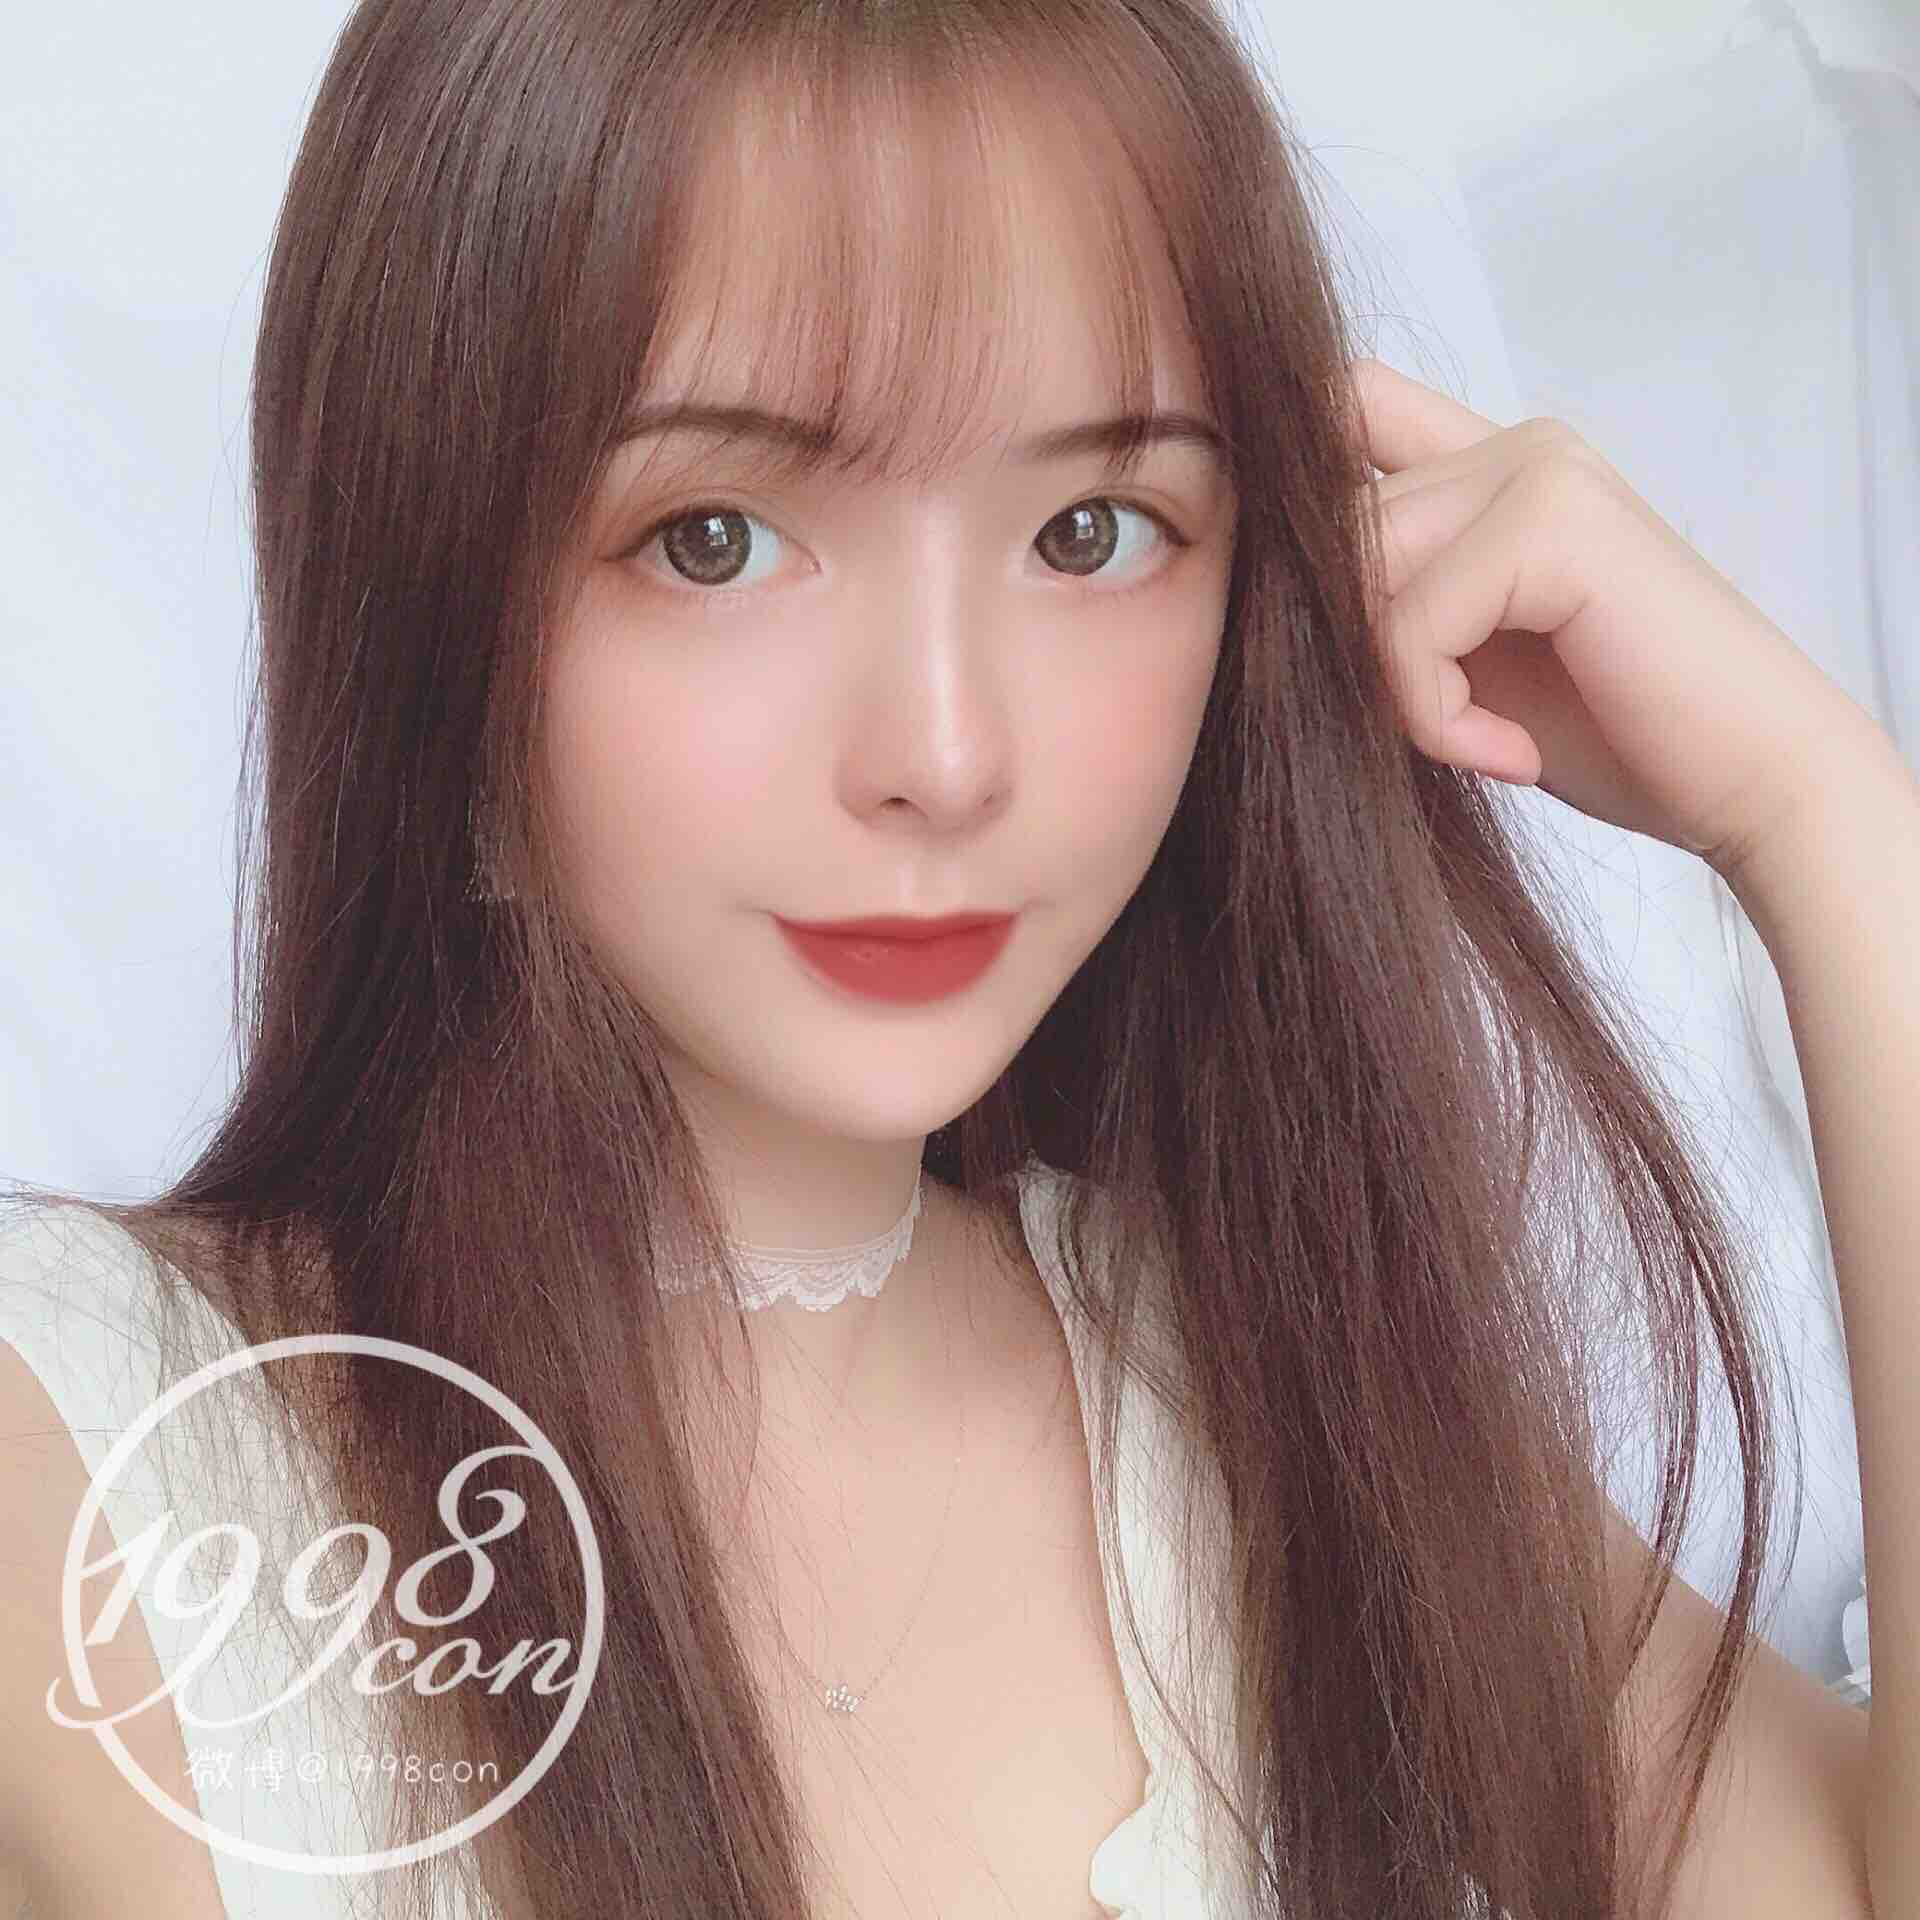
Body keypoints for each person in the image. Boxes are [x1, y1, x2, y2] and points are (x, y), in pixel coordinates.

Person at [3, 1, 1912, 1917]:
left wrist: (1824, 822)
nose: (946, 751)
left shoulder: (1282, 1404)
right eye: (715, 539)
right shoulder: (83, 1453)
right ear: (431, 580)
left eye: (1090, 532)